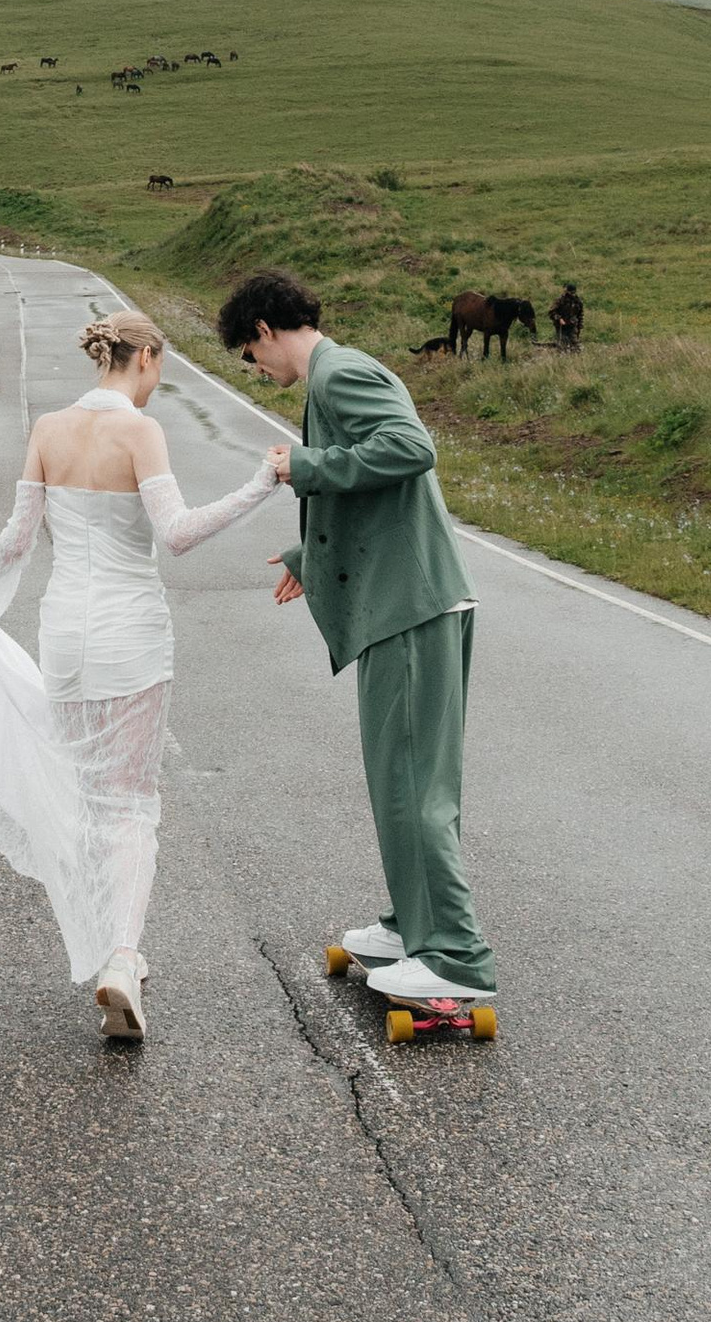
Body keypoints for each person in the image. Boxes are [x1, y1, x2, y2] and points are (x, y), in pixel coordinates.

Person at [0, 305, 282, 1041]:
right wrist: (261, 483)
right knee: (130, 803)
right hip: (129, 634)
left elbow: (18, 539)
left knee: (90, 797)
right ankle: (121, 958)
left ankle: (113, 943)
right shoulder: (140, 431)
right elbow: (177, 534)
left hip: (64, 635)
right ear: (146, 358)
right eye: (160, 368)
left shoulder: (48, 429)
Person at [213, 264, 499, 1016]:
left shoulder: (337, 374)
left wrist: (302, 466)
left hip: (410, 608)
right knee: (401, 781)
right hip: (405, 602)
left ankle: (457, 958)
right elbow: (378, 494)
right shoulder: (331, 378)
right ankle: (413, 927)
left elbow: (410, 448)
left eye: (250, 353)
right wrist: (310, 556)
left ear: (264, 330)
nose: (256, 368)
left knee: (413, 785)